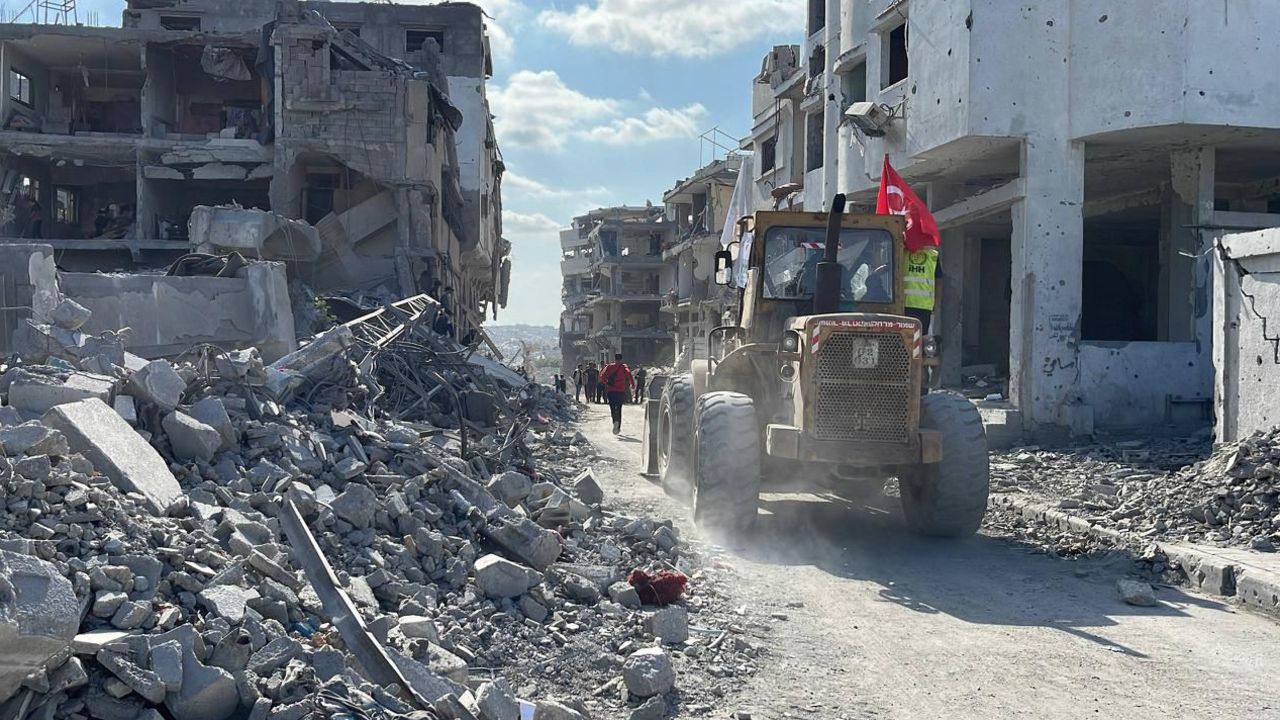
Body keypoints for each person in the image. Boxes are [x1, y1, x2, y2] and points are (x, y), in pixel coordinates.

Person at [903, 245, 941, 333]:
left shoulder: (904, 253)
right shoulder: (933, 255)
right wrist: (936, 302)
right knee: (922, 337)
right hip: (924, 305)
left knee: (905, 335)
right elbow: (939, 281)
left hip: (906, 303)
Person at [600, 353, 635, 434]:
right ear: (621, 359)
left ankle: (614, 422)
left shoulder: (609, 366)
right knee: (619, 409)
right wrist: (632, 384)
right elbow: (629, 374)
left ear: (614, 358)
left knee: (612, 408)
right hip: (620, 391)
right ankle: (618, 427)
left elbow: (602, 376)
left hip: (611, 391)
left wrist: (607, 383)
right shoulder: (623, 367)